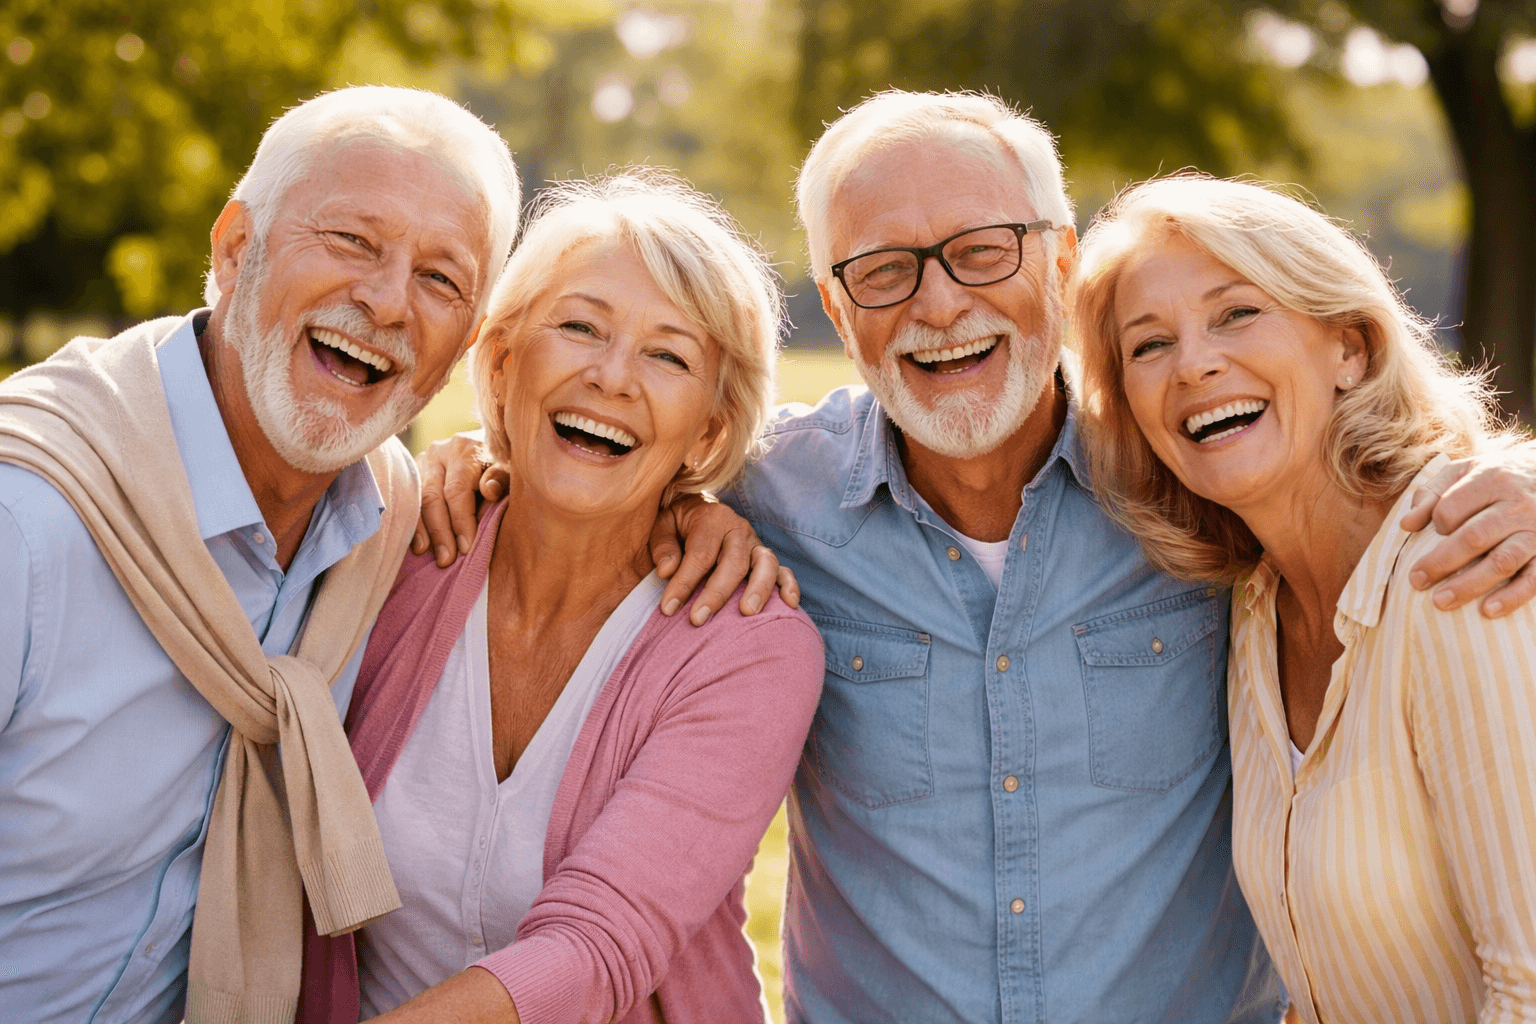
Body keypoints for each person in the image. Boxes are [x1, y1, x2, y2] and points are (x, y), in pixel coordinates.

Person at [417, 90, 1536, 1024]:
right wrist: (477, 462)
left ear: (1060, 265)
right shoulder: (770, 500)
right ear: (842, 313)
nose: (940, 301)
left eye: (982, 251)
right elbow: (599, 458)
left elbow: (1356, 468)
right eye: (885, 270)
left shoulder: (1188, 482)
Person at [0, 87, 789, 1024]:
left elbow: (600, 942)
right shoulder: (386, 539)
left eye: (441, 279)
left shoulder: (375, 528)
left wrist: (701, 514)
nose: (385, 301)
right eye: (352, 241)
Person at [301, 173, 823, 1024]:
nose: (613, 377)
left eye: (669, 355)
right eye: (579, 327)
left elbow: (595, 949)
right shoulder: (390, 550)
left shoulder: (749, 648)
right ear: (502, 363)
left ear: (710, 430)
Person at [1072, 174, 1536, 1022]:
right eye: (1148, 345)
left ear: (1350, 348)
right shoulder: (1252, 611)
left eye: (1237, 313)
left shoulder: (1465, 572)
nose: (1196, 363)